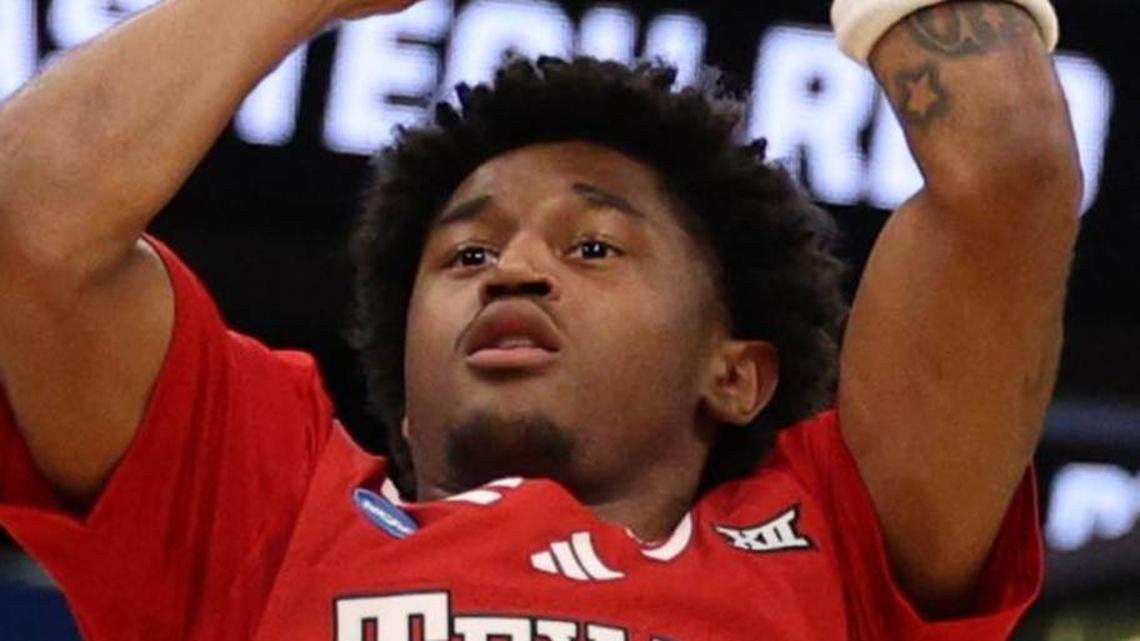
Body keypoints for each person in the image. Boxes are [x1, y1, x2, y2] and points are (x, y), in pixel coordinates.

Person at [0, 0, 1080, 638]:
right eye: (466, 253)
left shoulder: (839, 536)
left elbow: (1009, 167)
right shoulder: (264, 507)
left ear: (735, 372)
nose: (511, 269)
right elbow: (31, 222)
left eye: (593, 246)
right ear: (405, 407)